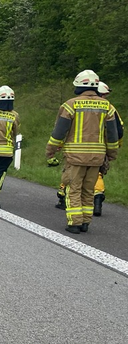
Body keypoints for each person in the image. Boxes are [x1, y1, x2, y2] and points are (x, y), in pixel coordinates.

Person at [46, 70, 120, 234]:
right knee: (88, 190)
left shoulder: (70, 105)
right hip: (97, 157)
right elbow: (112, 133)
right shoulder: (107, 106)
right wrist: (112, 153)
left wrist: (50, 150)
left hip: (75, 157)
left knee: (73, 189)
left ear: (79, 86)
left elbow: (59, 132)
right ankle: (86, 222)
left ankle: (74, 223)